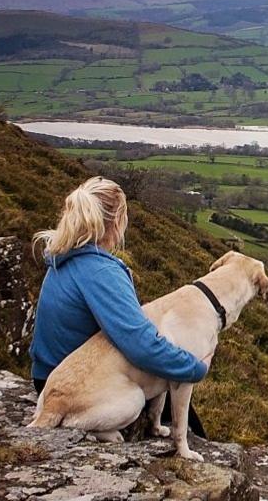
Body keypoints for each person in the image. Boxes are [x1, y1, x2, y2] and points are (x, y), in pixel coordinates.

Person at [29, 176, 208, 436]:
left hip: (50, 377)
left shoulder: (63, 256)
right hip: (77, 388)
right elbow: (138, 341)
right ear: (117, 221)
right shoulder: (101, 272)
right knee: (188, 421)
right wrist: (194, 367)